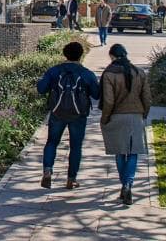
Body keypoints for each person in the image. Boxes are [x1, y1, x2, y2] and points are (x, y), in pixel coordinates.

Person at [36, 41, 100, 190]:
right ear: (81, 55)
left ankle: (47, 170)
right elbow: (97, 95)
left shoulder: (54, 71)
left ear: (65, 54)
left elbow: (41, 89)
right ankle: (71, 179)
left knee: (52, 142)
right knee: (76, 146)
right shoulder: (86, 74)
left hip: (57, 113)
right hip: (78, 115)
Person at [100, 43, 151, 205]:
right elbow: (147, 98)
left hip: (116, 115)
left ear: (112, 56)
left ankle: (125, 184)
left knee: (120, 152)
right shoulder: (139, 72)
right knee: (134, 151)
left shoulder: (109, 74)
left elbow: (108, 100)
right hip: (136, 115)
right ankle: (128, 184)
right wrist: (144, 114)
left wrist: (105, 118)